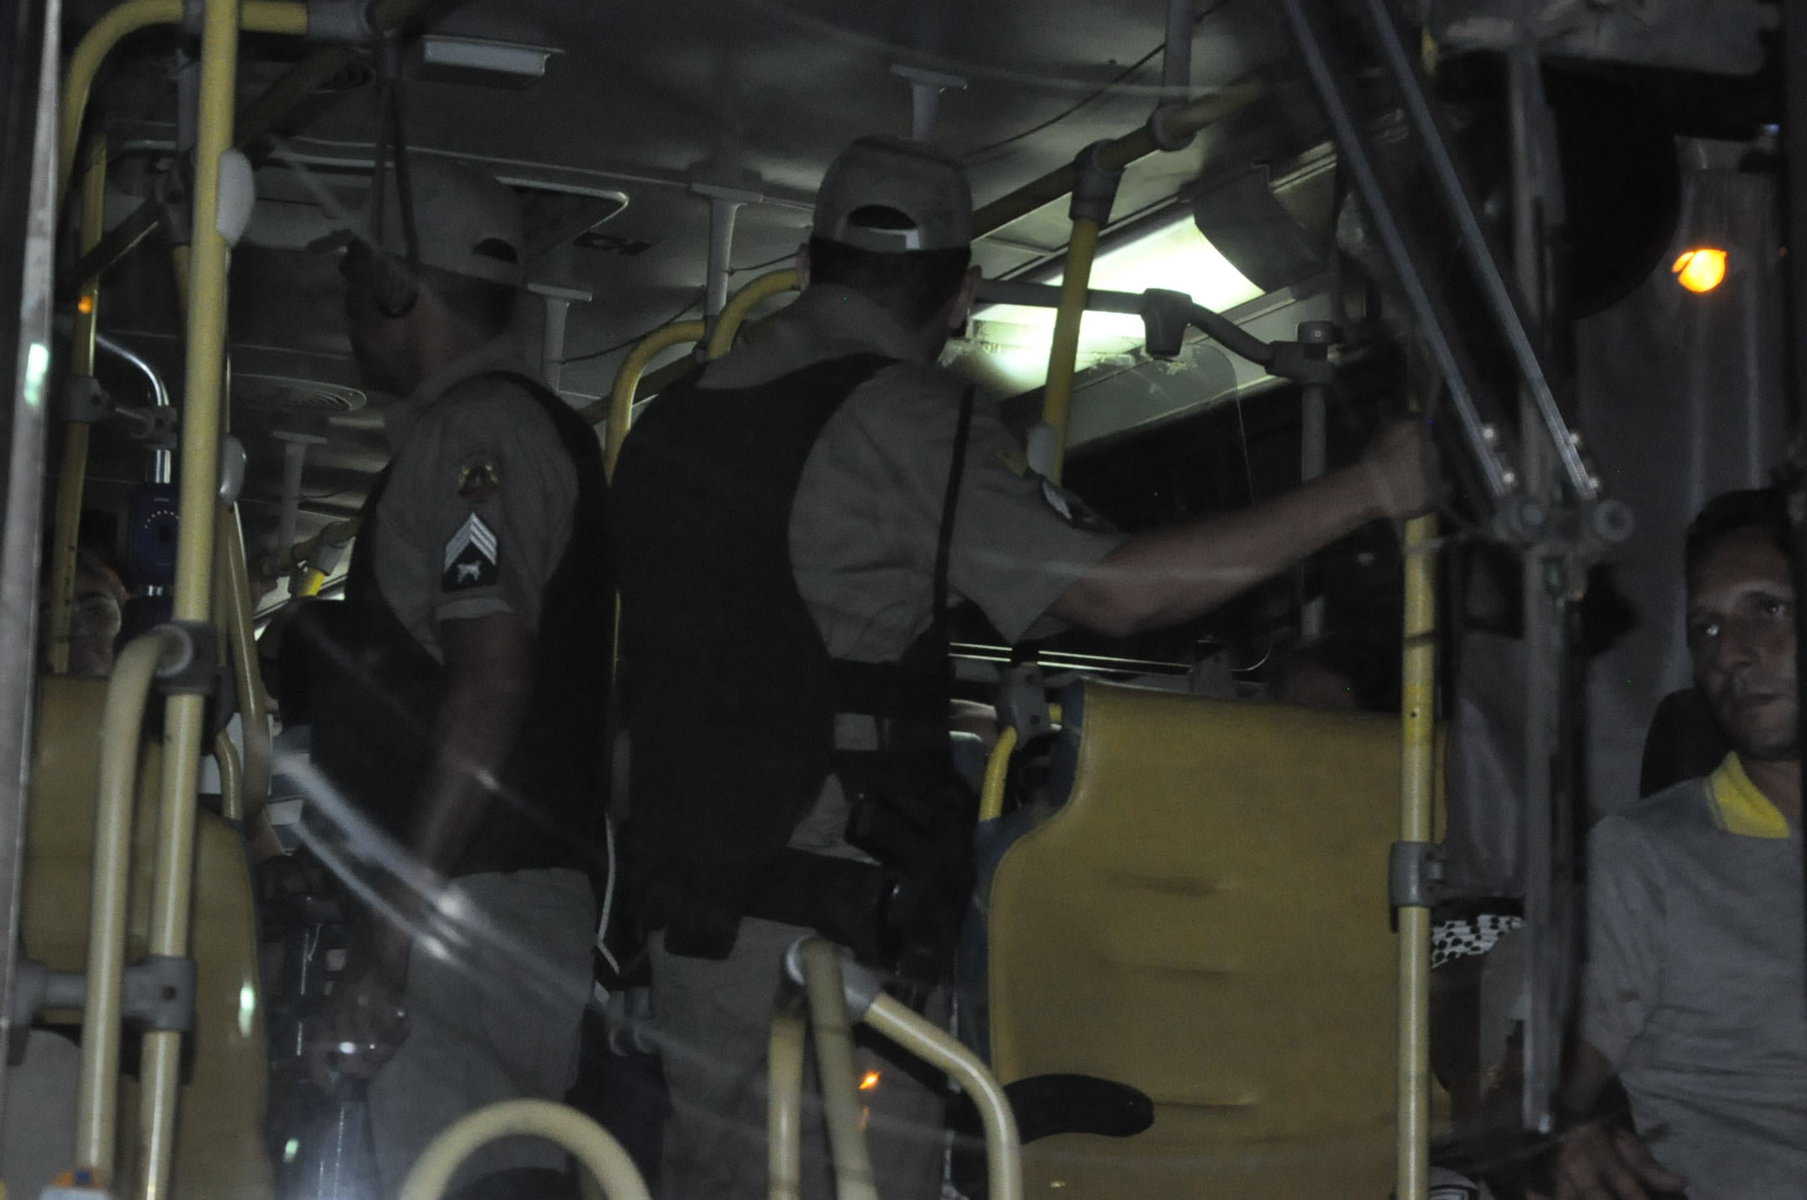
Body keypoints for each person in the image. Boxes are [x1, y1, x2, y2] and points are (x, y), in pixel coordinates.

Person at [609, 134, 1430, 1198]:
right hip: (819, 934)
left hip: (690, 917)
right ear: (958, 296)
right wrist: (1368, 488)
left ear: (812, 264)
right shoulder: (900, 417)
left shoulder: (669, 419)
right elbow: (1115, 591)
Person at [304, 157, 610, 1198]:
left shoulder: (480, 436)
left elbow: (489, 684)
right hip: (482, 902)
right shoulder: (502, 428)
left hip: (464, 912)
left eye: (356, 279)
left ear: (395, 288)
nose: (348, 309)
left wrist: (392, 937)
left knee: (467, 1175)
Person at [1554, 488, 1807, 1200]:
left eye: (1768, 608)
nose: (1730, 650)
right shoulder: (1647, 858)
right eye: (1705, 628)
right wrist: (1562, 1133)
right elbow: (1531, 1083)